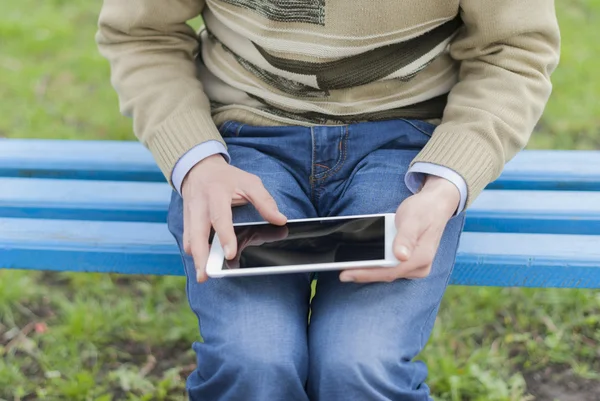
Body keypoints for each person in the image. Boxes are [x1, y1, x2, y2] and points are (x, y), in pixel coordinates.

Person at [96, 0, 560, 399]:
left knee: (361, 365)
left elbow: (513, 49)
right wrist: (197, 162)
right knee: (252, 361)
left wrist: (446, 183)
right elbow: (142, 32)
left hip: (407, 146)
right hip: (242, 146)